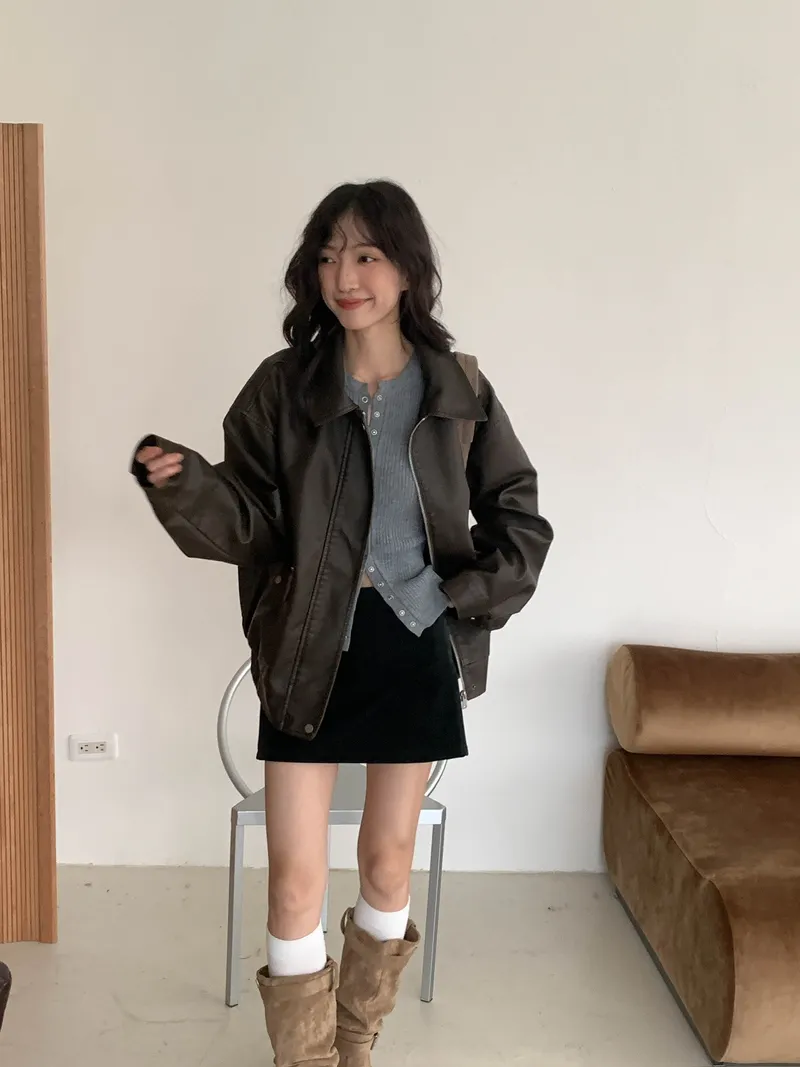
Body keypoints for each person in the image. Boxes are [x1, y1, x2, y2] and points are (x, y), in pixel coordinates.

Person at [131, 180, 553, 1066]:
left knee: (388, 862)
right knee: (293, 880)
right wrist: (185, 484)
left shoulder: (459, 386)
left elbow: (517, 513)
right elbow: (251, 521)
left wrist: (457, 598)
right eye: (328, 256)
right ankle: (305, 1056)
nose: (344, 275)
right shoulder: (284, 387)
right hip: (308, 648)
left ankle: (355, 1039)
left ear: (407, 267)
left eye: (365, 254)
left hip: (414, 641)